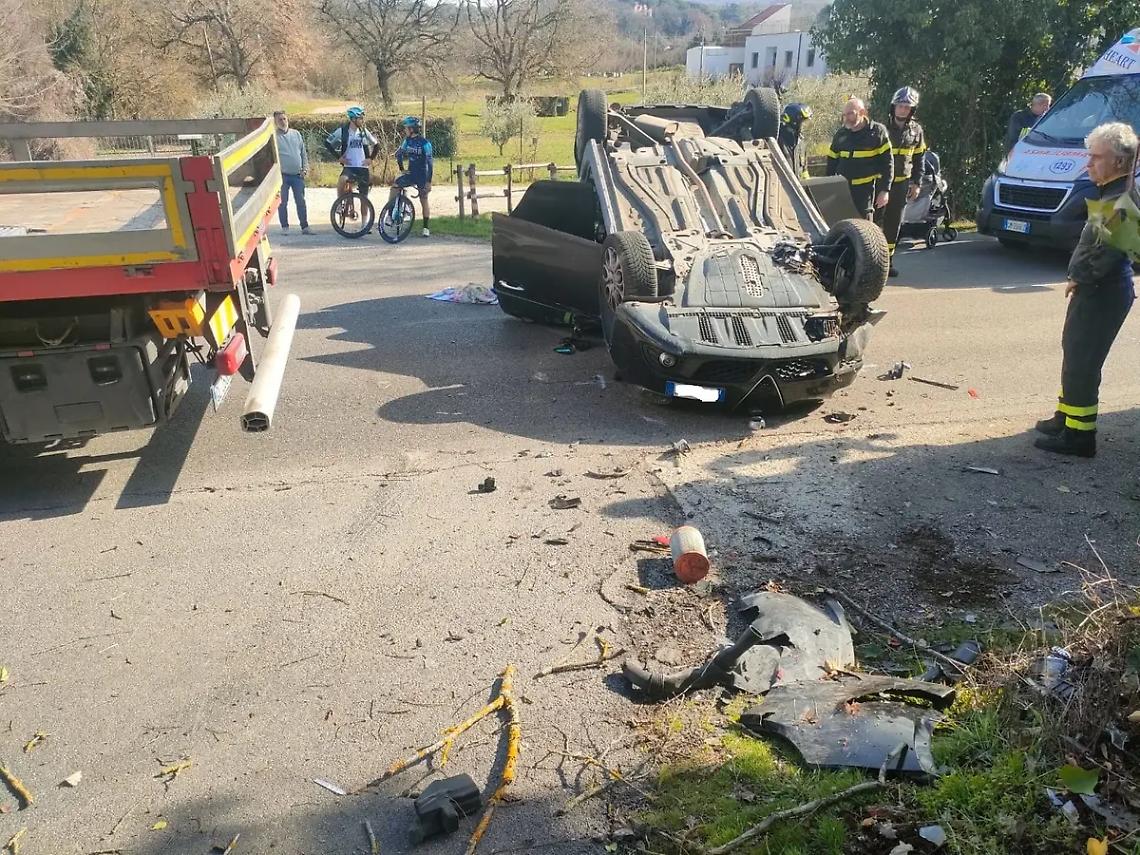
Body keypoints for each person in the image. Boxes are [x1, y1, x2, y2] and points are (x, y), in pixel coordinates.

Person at [1033, 121, 1137, 458]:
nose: (1088, 163)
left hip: (1102, 291)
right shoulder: (1111, 192)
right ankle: (1066, 417)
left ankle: (1079, 436)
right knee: (1074, 352)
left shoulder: (1119, 200)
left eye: (1095, 157)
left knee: (1083, 361)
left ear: (1118, 161)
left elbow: (1109, 253)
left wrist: (1080, 277)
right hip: (1097, 289)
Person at [875, 87, 926, 278]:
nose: (903, 110)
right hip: (880, 184)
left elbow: (920, 158)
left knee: (894, 224)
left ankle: (887, 263)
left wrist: (917, 183)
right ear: (893, 107)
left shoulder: (916, 131)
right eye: (900, 106)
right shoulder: (881, 128)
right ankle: (872, 261)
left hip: (901, 184)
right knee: (874, 221)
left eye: (907, 107)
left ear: (912, 110)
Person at [826, 98, 893, 219]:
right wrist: (828, 188)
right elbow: (831, 163)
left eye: (850, 114)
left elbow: (888, 163)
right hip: (843, 190)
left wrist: (885, 190)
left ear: (862, 112)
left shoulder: (877, 132)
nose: (846, 118)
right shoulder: (841, 134)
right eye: (844, 115)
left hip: (865, 192)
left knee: (864, 226)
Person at [324, 106, 378, 221]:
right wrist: (339, 157)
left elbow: (376, 145)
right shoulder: (343, 131)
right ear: (353, 119)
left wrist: (371, 158)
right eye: (360, 118)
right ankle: (339, 204)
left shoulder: (363, 132)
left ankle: (364, 224)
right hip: (349, 166)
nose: (362, 120)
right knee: (342, 180)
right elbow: (327, 143)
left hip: (363, 167)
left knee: (364, 197)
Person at [392, 116, 433, 237]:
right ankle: (395, 211)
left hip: (422, 175)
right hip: (411, 173)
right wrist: (402, 169)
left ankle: (426, 227)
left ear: (411, 129)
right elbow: (399, 154)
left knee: (423, 199)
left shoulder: (425, 143)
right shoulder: (407, 141)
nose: (405, 130)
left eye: (406, 128)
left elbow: (430, 163)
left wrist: (428, 182)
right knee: (395, 185)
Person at [273, 111, 312, 235]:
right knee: (282, 202)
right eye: (280, 120)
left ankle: (305, 227)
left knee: (301, 201)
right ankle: (285, 227)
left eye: (284, 119)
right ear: (275, 122)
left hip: (297, 175)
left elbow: (303, 153)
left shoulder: (296, 134)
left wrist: (305, 168)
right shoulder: (274, 137)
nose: (283, 122)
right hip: (282, 175)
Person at [777, 103, 813, 178]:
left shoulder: (801, 142)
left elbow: (804, 170)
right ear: (794, 122)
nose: (804, 125)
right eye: (803, 122)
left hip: (796, 184)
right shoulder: (777, 140)